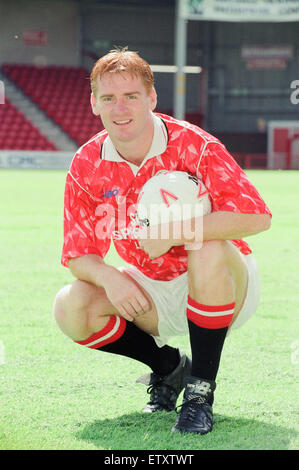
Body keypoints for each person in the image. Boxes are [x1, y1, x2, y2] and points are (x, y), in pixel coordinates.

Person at [52, 47, 272, 435]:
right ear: (93, 104)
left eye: (131, 96)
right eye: (109, 98)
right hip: (153, 286)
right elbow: (77, 254)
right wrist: (108, 276)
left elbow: (257, 216)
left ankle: (200, 395)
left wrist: (173, 232)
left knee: (206, 244)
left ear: (152, 98)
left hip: (224, 283)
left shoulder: (193, 144)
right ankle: (169, 367)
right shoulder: (87, 164)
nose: (120, 108)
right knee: (71, 305)